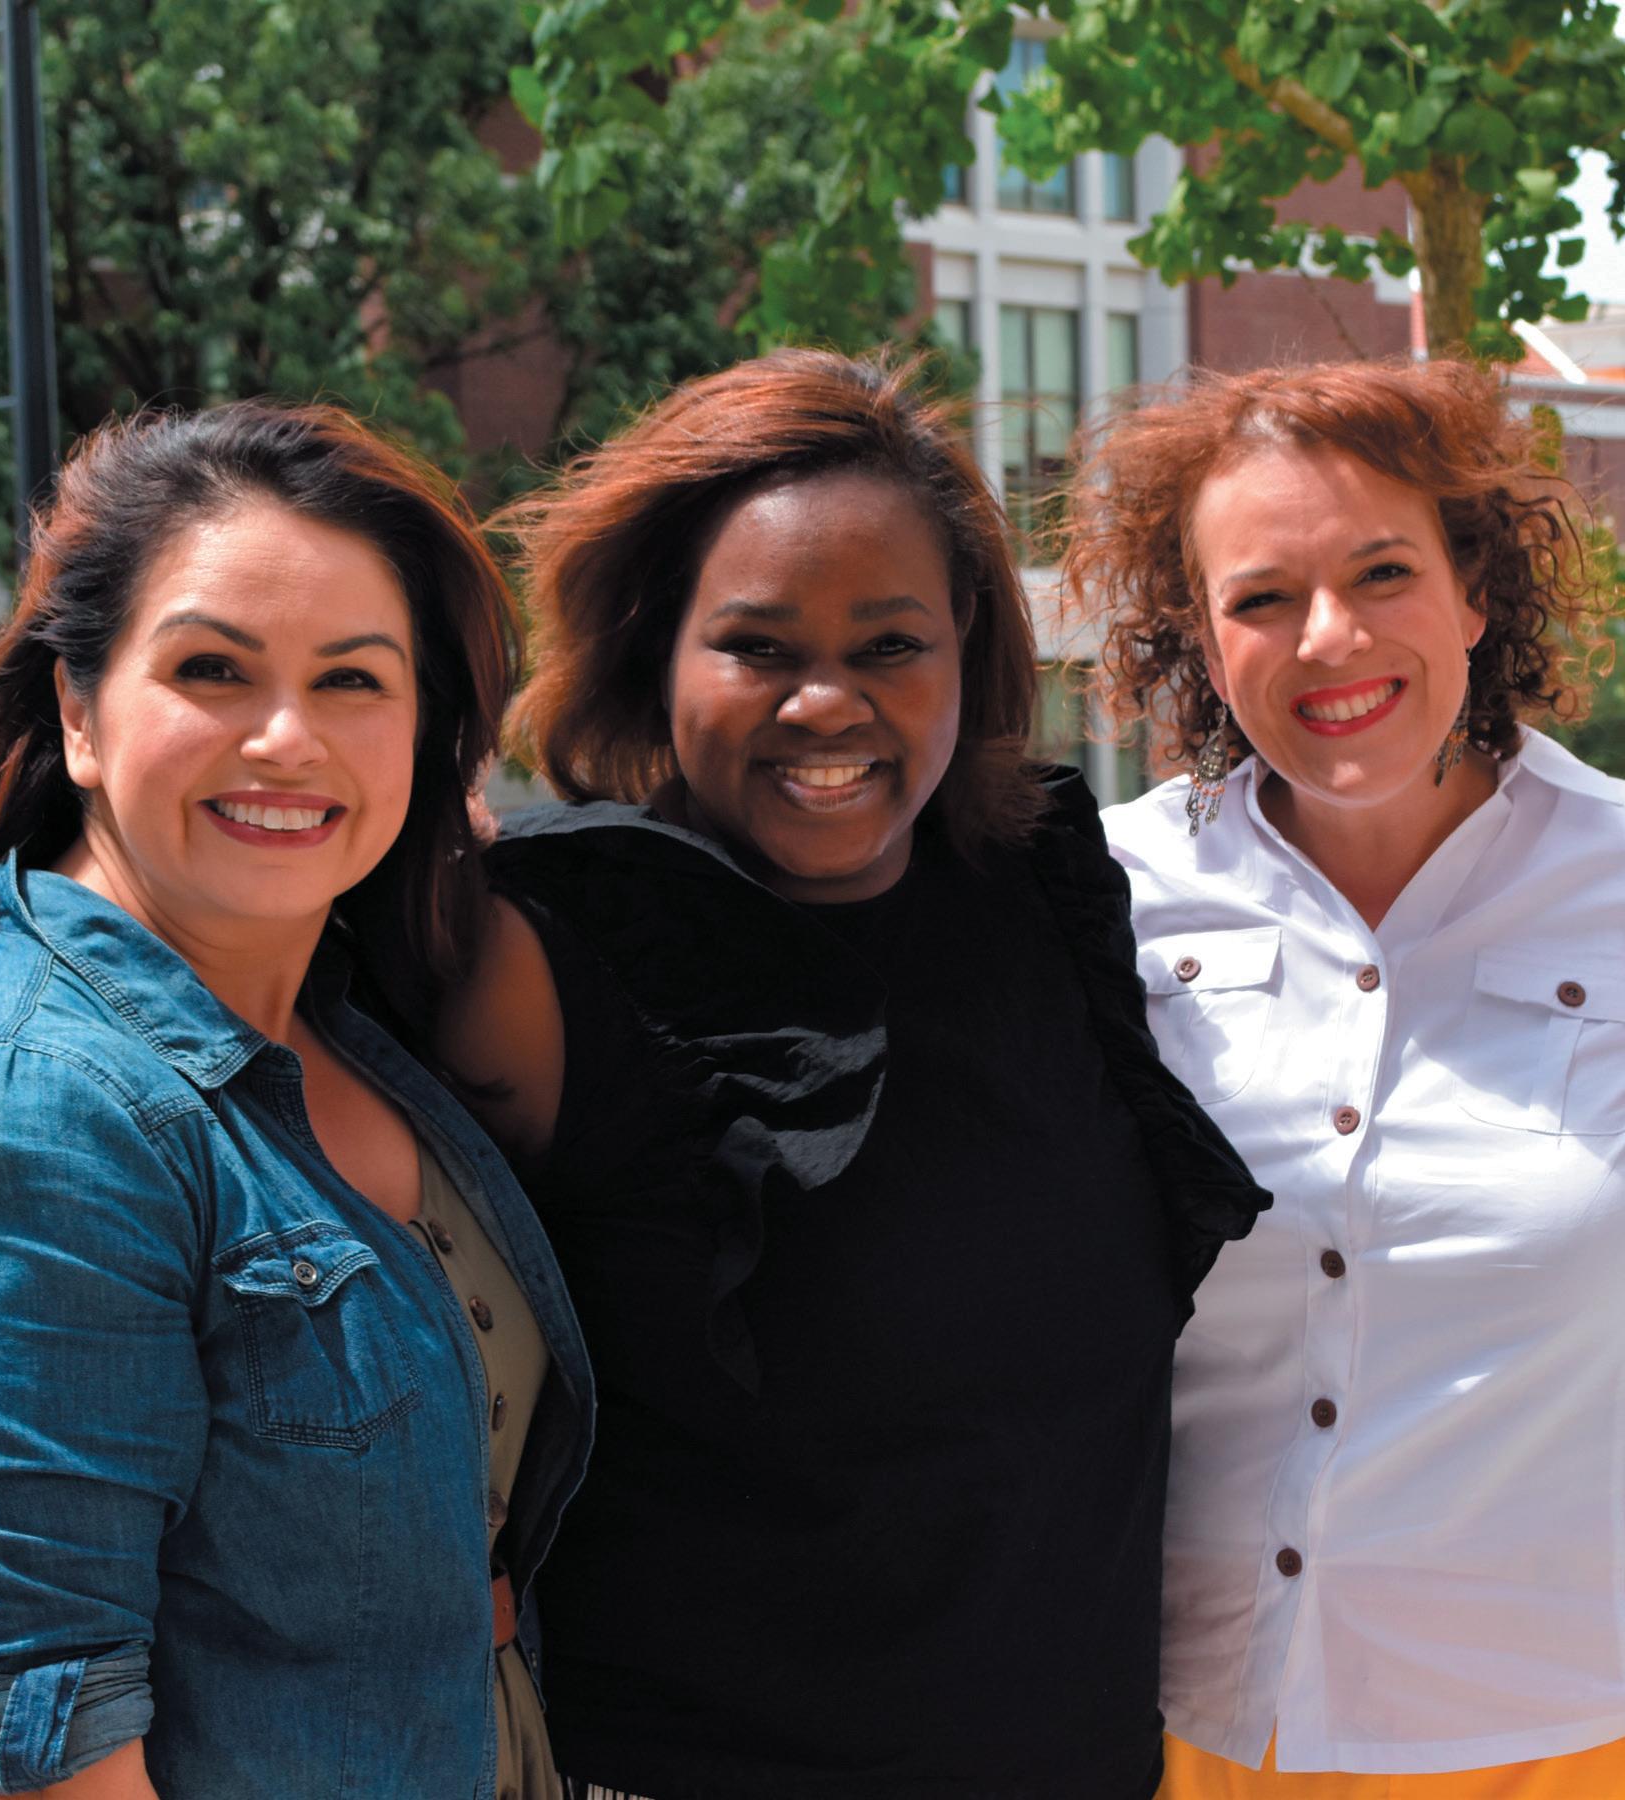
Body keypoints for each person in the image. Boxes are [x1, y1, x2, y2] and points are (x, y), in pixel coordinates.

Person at [429, 349, 1270, 1797]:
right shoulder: (542, 948)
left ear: (965, 647)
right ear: (657, 649)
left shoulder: (1043, 891)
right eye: (758, 647)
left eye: (889, 646)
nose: (826, 704)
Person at [0, 403, 593, 1799]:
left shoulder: (349, 1015)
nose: (287, 737)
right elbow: (37, 1764)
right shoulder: (38, 1119)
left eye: (353, 680)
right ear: (80, 713)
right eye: (213, 668)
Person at [1064, 356, 1625, 1797]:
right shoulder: (1094, 898)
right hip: (1204, 1731)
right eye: (1262, 597)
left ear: (1475, 591)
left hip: (1594, 1737)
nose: (1331, 637)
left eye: (1383, 572)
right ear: (1203, 639)